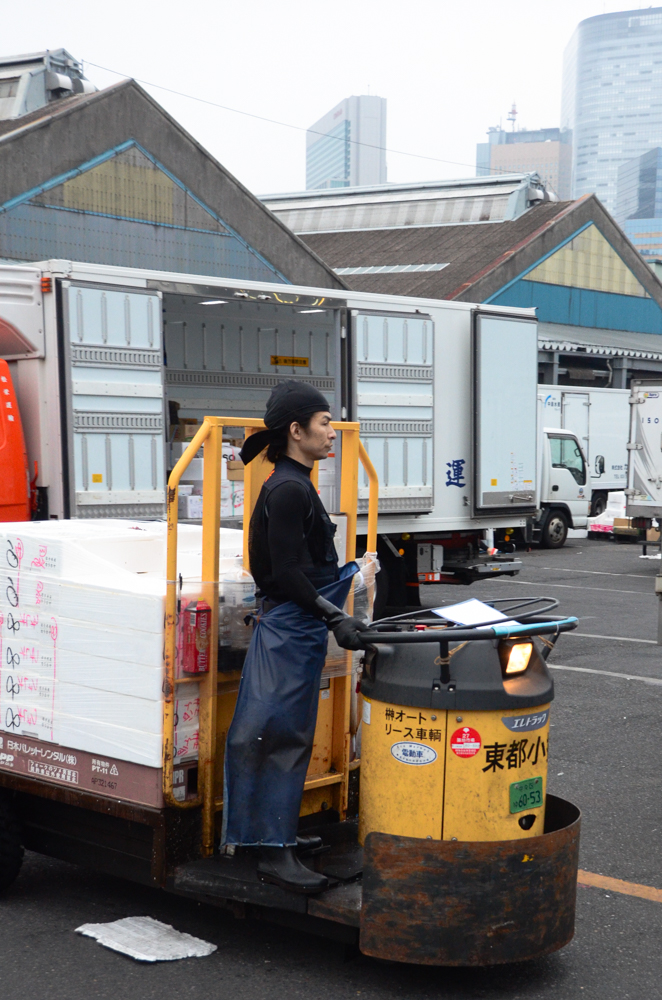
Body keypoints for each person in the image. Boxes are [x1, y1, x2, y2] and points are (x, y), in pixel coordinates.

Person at [222, 381, 369, 893]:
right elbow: (285, 572)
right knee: (277, 735)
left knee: (292, 732)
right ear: (296, 430)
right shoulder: (287, 489)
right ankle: (270, 849)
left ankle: (277, 833)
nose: (332, 432)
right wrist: (335, 616)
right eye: (325, 423)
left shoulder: (297, 484)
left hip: (296, 628)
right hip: (289, 627)